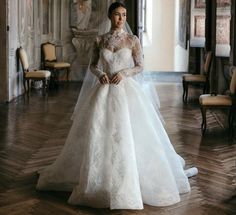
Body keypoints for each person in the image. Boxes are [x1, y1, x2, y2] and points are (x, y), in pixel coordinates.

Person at [36, 2, 198, 210]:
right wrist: (100, 74)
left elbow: (140, 66)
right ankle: (97, 179)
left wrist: (124, 73)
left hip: (126, 89)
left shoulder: (132, 40)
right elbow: (93, 65)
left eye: (124, 15)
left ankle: (128, 178)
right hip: (104, 91)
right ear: (109, 16)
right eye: (116, 14)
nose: (121, 18)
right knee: (98, 131)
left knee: (128, 133)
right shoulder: (99, 40)